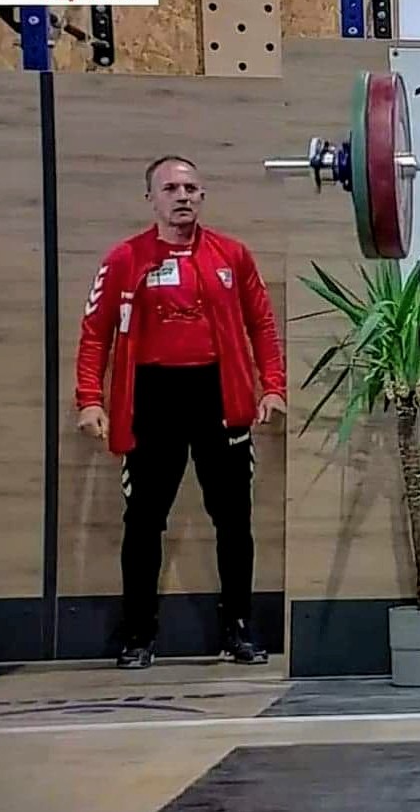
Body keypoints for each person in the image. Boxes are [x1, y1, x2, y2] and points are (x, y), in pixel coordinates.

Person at [75, 155, 287, 670]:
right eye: (170, 188)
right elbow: (95, 333)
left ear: (203, 195)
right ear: (151, 198)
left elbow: (261, 324)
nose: (182, 196)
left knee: (233, 518)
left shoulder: (232, 255)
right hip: (151, 397)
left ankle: (238, 628)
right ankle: (138, 634)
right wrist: (90, 399)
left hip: (219, 394)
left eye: (191, 187)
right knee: (144, 519)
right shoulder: (124, 258)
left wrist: (273, 387)